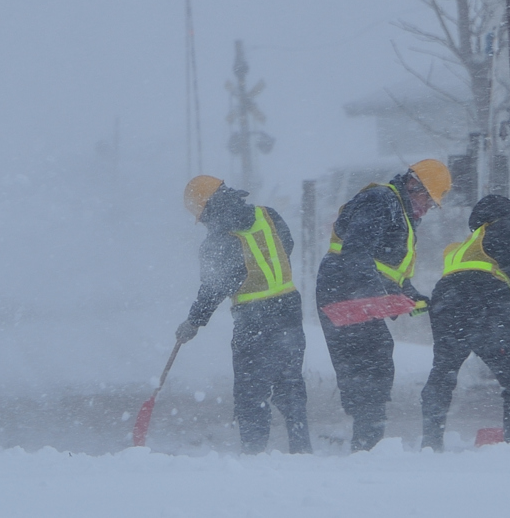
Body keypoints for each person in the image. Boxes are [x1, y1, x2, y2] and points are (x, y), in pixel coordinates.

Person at [316, 159, 451, 451]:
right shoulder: (381, 201)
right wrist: (374, 294)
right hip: (342, 287)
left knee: (373, 359)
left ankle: (367, 434)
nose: (427, 209)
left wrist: (410, 295)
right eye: (428, 200)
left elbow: (388, 269)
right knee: (368, 360)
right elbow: (355, 250)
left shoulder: (400, 214)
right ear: (414, 186)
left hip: (353, 288)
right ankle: (366, 438)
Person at [176, 175, 312, 454]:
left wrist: (194, 322)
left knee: (252, 392)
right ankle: (301, 449)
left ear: (207, 210)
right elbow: (287, 247)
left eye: (201, 217)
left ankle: (254, 454)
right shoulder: (268, 215)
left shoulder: (218, 241)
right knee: (290, 385)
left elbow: (212, 289)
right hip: (288, 311)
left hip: (253, 321)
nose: (203, 223)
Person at [420, 195, 510, 451]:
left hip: (446, 300)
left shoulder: (484, 234)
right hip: (484, 299)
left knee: (444, 372)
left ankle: (430, 443)